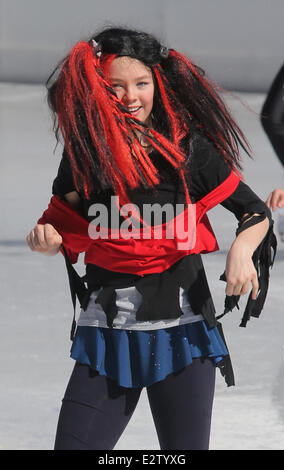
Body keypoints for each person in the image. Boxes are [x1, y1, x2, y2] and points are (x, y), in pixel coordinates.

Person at [26, 27, 277, 451]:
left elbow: (255, 212)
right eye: (116, 86)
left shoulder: (187, 151)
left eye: (141, 84)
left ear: (157, 83)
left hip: (183, 333)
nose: (130, 97)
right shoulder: (85, 157)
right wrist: (45, 240)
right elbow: (57, 229)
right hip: (108, 335)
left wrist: (242, 249)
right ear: (96, 90)